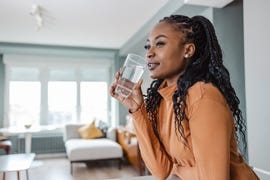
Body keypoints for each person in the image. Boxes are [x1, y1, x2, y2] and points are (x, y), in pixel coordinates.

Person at [110, 15, 259, 180]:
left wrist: (178, 171)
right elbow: (161, 170)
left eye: (159, 43)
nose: (149, 53)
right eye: (147, 46)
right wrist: (137, 109)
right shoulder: (162, 99)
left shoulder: (203, 96)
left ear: (188, 50)